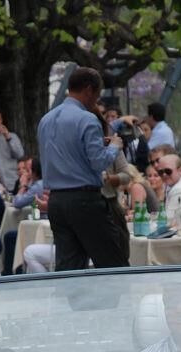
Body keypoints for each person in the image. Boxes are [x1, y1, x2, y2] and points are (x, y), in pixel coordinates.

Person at [38, 66, 127, 270]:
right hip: (84, 200)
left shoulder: (46, 120)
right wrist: (114, 147)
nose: (96, 100)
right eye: (97, 94)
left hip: (57, 201)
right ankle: (116, 303)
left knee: (70, 268)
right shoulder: (86, 118)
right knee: (113, 263)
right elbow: (99, 162)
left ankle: (74, 303)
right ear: (88, 90)